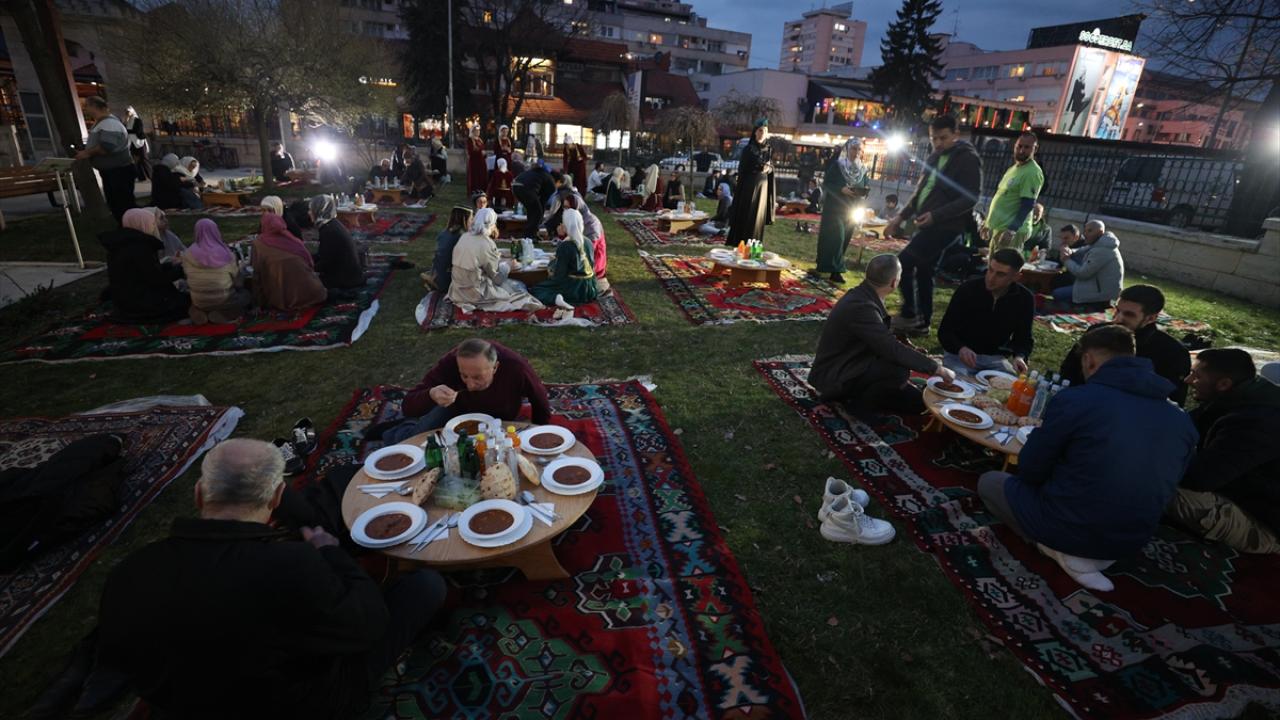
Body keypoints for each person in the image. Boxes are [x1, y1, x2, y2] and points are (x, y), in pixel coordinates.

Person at [96, 438, 446, 718]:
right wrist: (331, 552)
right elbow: (369, 623)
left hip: (179, 706)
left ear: (199, 494)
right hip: (303, 705)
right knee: (425, 586)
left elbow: (122, 660)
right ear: (278, 496)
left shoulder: (129, 572)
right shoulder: (292, 565)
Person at [977, 326, 1197, 591]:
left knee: (990, 482)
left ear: (1089, 359)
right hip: (1129, 540)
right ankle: (1091, 555)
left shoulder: (1078, 400)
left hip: (1070, 528)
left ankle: (1058, 549)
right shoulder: (1182, 421)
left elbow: (1031, 469)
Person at [810, 254, 957, 415]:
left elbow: (880, 338)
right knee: (898, 370)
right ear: (894, 282)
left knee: (916, 401)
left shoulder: (864, 295)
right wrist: (937, 369)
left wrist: (912, 351)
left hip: (850, 363)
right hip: (833, 376)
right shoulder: (862, 306)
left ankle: (872, 396)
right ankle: (857, 405)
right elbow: (890, 348)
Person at [1169, 349, 1280, 553]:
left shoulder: (1256, 423)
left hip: (1263, 523)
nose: (1188, 380)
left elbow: (1200, 478)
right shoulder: (1231, 400)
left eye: (1196, 376)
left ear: (1223, 384)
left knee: (1154, 482)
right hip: (1236, 493)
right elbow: (1182, 426)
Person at [885, 115, 982, 335]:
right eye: (934, 138)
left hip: (946, 226)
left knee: (903, 263)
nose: (938, 143)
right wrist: (900, 217)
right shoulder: (935, 157)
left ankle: (911, 314)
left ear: (955, 135)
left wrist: (936, 216)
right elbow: (921, 192)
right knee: (924, 270)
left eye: (943, 138)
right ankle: (922, 322)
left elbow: (971, 197)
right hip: (929, 224)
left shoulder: (966, 158)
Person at [375, 339, 551, 444]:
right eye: (463, 376)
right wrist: (431, 394)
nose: (470, 385)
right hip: (456, 411)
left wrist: (538, 435)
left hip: (501, 416)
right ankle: (401, 428)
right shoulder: (449, 363)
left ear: (495, 367)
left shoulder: (516, 368)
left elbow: (540, 401)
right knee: (413, 443)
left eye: (477, 377)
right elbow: (408, 404)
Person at [1058, 284, 1191, 405]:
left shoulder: (1173, 353)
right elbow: (1069, 370)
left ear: (1151, 318)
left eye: (1129, 314)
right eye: (1117, 310)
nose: (1118, 319)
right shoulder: (1097, 332)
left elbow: (1171, 402)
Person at [937, 248, 1034, 375]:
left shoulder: (1024, 298)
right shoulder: (968, 290)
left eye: (1000, 274)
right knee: (958, 385)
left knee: (1009, 390)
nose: (991, 278)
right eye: (990, 270)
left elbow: (1024, 338)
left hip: (995, 359)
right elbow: (945, 331)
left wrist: (1019, 357)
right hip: (959, 356)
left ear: (1016, 277)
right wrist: (960, 348)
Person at [97, 208, 189, 323]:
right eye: (151, 224)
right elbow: (156, 279)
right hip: (140, 305)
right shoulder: (141, 248)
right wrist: (181, 270)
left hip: (124, 302)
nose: (153, 227)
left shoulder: (120, 245)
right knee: (185, 301)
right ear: (142, 224)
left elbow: (142, 273)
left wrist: (169, 266)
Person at [448, 208, 542, 312]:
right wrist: (508, 266)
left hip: (458, 290)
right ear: (492, 224)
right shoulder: (486, 243)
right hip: (476, 293)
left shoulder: (465, 237)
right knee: (519, 287)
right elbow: (497, 279)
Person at [812, 138, 871, 284]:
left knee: (845, 238)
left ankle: (832, 269)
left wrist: (864, 191)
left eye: (859, 149)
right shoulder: (838, 166)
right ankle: (837, 269)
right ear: (847, 149)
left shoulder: (862, 169)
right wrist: (841, 189)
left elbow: (865, 184)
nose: (856, 152)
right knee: (836, 237)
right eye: (853, 149)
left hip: (851, 207)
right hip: (835, 208)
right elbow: (827, 183)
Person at [981, 131, 1044, 254]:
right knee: (993, 269)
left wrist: (1012, 230)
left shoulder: (1032, 172)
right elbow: (1002, 198)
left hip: (1011, 232)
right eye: (1019, 146)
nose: (1021, 150)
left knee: (1004, 270)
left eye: (1027, 147)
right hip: (999, 228)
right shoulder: (1014, 169)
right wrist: (988, 223)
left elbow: (1027, 205)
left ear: (1035, 149)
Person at [252, 213, 327, 312]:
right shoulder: (293, 240)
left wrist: (259, 302)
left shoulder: (259, 243)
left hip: (283, 299)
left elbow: (257, 273)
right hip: (314, 293)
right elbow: (310, 263)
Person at [76, 97, 135, 224]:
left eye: (87, 106)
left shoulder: (109, 123)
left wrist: (87, 153)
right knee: (116, 203)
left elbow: (107, 146)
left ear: (94, 106)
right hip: (112, 171)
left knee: (122, 203)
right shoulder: (103, 122)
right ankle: (126, 227)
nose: (85, 109)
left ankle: (131, 228)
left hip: (118, 171)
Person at [182, 219, 250, 324]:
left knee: (194, 303)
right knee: (246, 296)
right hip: (224, 300)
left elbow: (187, 276)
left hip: (199, 301)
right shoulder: (227, 254)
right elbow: (238, 283)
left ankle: (200, 314)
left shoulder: (187, 254)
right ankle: (225, 314)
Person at [531, 208, 597, 311]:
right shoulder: (588, 241)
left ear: (567, 225)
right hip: (588, 289)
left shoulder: (566, 246)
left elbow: (559, 276)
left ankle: (556, 298)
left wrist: (553, 263)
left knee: (536, 290)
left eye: (562, 222)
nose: (560, 225)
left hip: (572, 288)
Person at [725, 119, 777, 247]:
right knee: (747, 214)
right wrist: (758, 167)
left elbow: (771, 167)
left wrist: (768, 168)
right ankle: (741, 243)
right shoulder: (749, 149)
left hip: (763, 188)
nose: (761, 133)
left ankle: (755, 243)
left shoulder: (769, 149)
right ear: (755, 132)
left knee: (758, 216)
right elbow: (743, 169)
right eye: (759, 131)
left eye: (764, 131)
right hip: (749, 186)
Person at [1052, 219, 1124, 308]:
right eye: (1085, 230)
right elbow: (1083, 249)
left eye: (1089, 231)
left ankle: (1088, 306)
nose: (1085, 234)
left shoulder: (1102, 250)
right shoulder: (1101, 243)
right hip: (1095, 285)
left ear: (1100, 232)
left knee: (1057, 294)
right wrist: (1070, 251)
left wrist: (1066, 260)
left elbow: (1082, 273)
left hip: (1102, 293)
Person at [310, 195, 366, 292]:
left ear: (319, 210)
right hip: (349, 275)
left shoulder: (328, 230)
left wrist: (308, 268)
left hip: (346, 280)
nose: (309, 213)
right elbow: (324, 254)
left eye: (311, 209)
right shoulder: (331, 224)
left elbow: (327, 262)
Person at [425, 206, 473, 295]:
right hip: (448, 282)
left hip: (437, 275)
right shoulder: (462, 236)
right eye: (471, 218)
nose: (472, 221)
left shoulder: (445, 232)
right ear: (464, 219)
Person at [512, 162, 556, 237]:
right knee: (537, 213)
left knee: (531, 210)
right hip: (526, 189)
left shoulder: (535, 173)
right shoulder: (550, 180)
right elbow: (543, 200)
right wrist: (541, 213)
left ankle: (531, 232)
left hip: (515, 186)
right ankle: (530, 234)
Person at [124, 106, 150, 182]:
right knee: (136, 161)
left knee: (144, 159)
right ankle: (141, 177)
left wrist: (129, 131)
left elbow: (138, 131)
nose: (127, 113)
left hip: (139, 143)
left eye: (128, 112)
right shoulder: (127, 121)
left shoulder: (137, 120)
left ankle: (151, 175)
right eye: (126, 112)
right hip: (132, 143)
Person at [465, 125, 488, 197]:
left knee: (481, 175)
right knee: (475, 176)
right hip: (474, 161)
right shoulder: (470, 139)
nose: (478, 132)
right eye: (476, 131)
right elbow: (470, 151)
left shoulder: (480, 140)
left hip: (481, 161)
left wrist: (484, 154)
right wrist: (480, 152)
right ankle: (474, 191)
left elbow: (482, 148)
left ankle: (481, 190)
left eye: (478, 131)